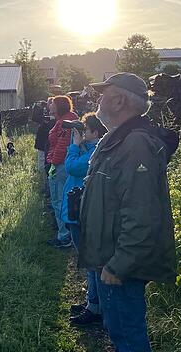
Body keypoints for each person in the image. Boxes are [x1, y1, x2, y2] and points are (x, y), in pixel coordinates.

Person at [78, 73, 178, 352]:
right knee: (117, 324)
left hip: (120, 261)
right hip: (109, 255)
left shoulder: (135, 143)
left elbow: (142, 215)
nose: (97, 101)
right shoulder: (118, 139)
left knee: (129, 331)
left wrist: (119, 264)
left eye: (102, 95)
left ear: (119, 100)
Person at [63, 113, 107, 326]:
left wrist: (74, 145)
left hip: (81, 211)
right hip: (76, 209)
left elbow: (72, 167)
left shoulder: (95, 151)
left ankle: (95, 307)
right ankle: (93, 302)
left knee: (91, 261)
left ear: (95, 133)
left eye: (85, 129)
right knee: (89, 261)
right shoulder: (88, 148)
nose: (80, 133)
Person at [46, 95, 79, 248]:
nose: (49, 105)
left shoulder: (66, 123)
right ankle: (67, 233)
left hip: (60, 166)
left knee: (58, 200)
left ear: (59, 106)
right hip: (63, 164)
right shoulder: (67, 119)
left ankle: (64, 235)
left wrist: (53, 163)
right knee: (65, 199)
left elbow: (61, 146)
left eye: (52, 103)